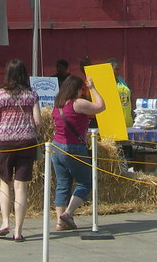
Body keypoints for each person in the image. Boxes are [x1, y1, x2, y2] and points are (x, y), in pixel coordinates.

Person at [0, 58, 41, 243]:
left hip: (5, 143)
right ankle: (18, 230)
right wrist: (33, 133)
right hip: (27, 142)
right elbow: (38, 121)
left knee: (4, 182)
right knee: (21, 186)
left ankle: (4, 222)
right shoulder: (31, 95)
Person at [51, 74, 105, 231]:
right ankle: (68, 213)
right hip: (73, 147)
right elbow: (101, 106)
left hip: (56, 146)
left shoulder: (58, 103)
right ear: (76, 89)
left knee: (62, 184)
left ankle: (60, 223)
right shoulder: (78, 103)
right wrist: (93, 88)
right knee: (86, 181)